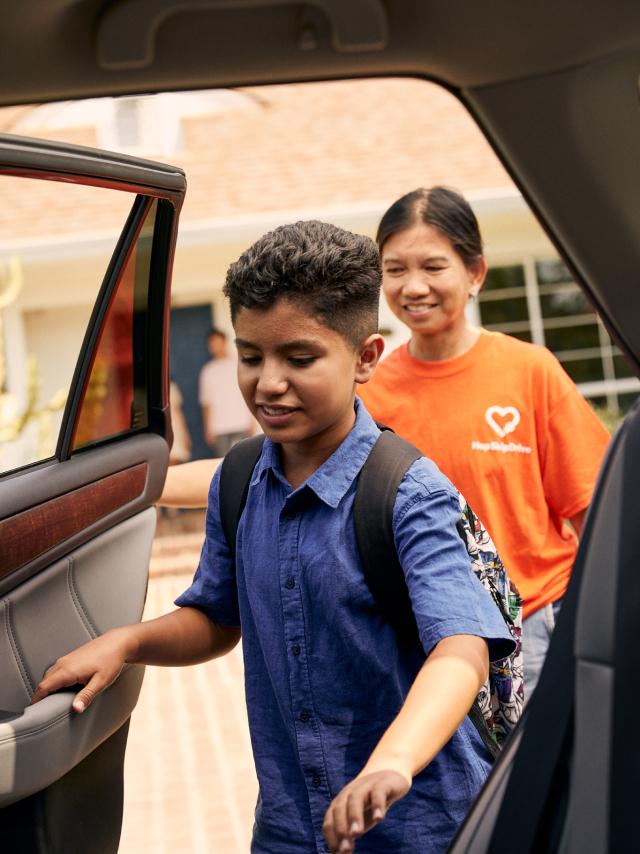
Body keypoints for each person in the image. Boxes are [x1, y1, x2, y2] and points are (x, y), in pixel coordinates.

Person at [32, 220, 514, 854]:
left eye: (300, 358)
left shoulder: (406, 492)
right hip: (290, 824)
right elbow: (217, 619)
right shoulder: (239, 480)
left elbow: (460, 650)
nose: (268, 382)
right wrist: (129, 641)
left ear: (366, 357)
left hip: (421, 826)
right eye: (251, 355)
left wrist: (390, 762)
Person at [358, 186, 610, 696]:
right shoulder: (370, 394)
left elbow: (600, 516)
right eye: (395, 269)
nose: (413, 287)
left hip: (538, 628)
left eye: (433, 266)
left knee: (544, 776)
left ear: (475, 273)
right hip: (428, 638)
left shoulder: (529, 371)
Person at [199, 326, 254, 456]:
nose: (215, 346)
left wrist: (252, 420)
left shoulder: (239, 364)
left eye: (217, 342)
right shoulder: (207, 371)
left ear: (224, 342)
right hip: (218, 428)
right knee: (224, 463)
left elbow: (249, 393)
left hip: (241, 423)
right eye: (212, 344)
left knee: (245, 459)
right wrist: (208, 429)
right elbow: (206, 402)